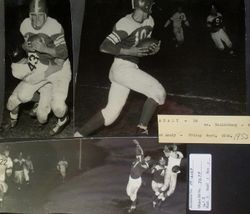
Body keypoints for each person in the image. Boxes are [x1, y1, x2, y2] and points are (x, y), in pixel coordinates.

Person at [75, 0, 166, 137]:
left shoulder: (150, 21)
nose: (152, 8)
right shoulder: (125, 23)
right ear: (144, 5)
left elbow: (141, 47)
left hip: (128, 69)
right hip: (122, 67)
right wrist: (129, 52)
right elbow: (104, 46)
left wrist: (152, 50)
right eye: (150, 5)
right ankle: (141, 131)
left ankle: (77, 136)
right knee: (158, 92)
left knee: (111, 114)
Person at [2, 0, 71, 136]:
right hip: (41, 64)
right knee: (21, 96)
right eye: (33, 15)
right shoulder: (25, 24)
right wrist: (25, 47)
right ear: (29, 14)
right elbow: (26, 44)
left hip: (59, 68)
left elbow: (63, 54)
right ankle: (39, 100)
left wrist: (44, 48)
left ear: (46, 15)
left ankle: (63, 119)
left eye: (40, 15)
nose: (36, 19)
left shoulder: (54, 26)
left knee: (58, 108)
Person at [126, 140, 151, 213]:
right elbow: (140, 151)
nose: (147, 158)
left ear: (148, 161)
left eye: (149, 159)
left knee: (133, 194)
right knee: (128, 193)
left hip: (137, 181)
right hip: (131, 179)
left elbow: (144, 165)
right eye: (147, 157)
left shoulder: (145, 164)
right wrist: (138, 144)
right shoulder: (138, 159)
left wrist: (143, 161)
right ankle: (133, 203)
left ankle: (133, 207)